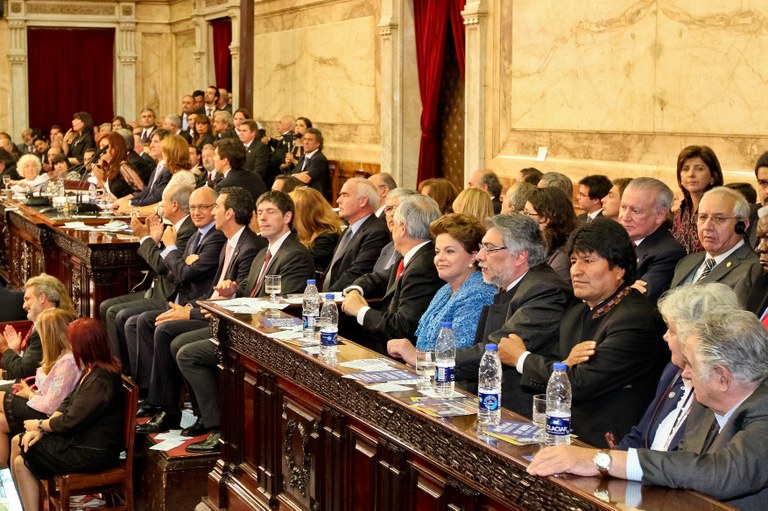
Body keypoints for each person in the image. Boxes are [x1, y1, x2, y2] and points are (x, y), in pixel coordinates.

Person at [527, 308, 768, 511]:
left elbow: (719, 473)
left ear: (722, 378)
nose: (684, 373)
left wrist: (600, 460)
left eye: (692, 366)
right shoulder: (707, 403)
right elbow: (679, 465)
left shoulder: (763, 408)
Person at [502, 218, 668, 446]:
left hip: (609, 445)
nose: (576, 271)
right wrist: (566, 365)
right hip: (566, 431)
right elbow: (557, 364)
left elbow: (579, 384)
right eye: (573, 261)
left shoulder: (636, 319)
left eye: (588, 261)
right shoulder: (577, 311)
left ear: (619, 269)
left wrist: (521, 359)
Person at [453, 214, 573, 417]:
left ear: (520, 256)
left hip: (521, 412)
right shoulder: (511, 284)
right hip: (493, 400)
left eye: (489, 248)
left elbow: (497, 349)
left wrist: (432, 359)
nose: (479, 256)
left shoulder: (545, 290)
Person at [611, 283, 740, 451]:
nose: (665, 337)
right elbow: (639, 435)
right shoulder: (672, 371)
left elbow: (691, 463)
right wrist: (604, 462)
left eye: (671, 331)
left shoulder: (717, 389)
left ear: (693, 336)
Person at [10, 318, 123, 511]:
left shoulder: (100, 379)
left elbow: (71, 421)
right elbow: (67, 403)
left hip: (93, 452)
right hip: (80, 441)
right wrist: (42, 430)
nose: (69, 349)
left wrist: (40, 426)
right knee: (20, 451)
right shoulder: (92, 370)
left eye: (72, 344)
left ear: (85, 346)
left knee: (21, 447)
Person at [387, 214, 496, 366]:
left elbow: (458, 356)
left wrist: (416, 357)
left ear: (473, 256)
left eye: (449, 251)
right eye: (437, 252)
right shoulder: (445, 290)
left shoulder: (480, 293)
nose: (440, 258)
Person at [341, 194, 444, 353]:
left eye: (393, 223)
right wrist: (356, 290)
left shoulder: (422, 267)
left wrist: (360, 310)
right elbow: (377, 279)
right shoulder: (412, 257)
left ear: (402, 228)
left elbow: (402, 327)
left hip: (399, 357)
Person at [0, 308, 79, 466]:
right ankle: (3, 475)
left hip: (51, 416)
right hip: (39, 402)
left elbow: (53, 405)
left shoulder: (68, 362)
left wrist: (30, 395)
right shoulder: (59, 354)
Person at [670, 186, 761, 303]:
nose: (707, 226)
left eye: (719, 219)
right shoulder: (686, 262)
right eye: (702, 217)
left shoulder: (753, 271)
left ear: (742, 225)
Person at [619, 178, 686, 301]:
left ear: (660, 215)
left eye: (635, 211)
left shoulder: (669, 252)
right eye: (623, 207)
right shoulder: (613, 239)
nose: (625, 217)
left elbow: (636, 301)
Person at [1, 274, 75, 382]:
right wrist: (16, 352)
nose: (24, 306)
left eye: (27, 299)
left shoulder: (50, 326)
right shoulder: (45, 322)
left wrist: (4, 349)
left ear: (42, 298)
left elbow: (26, 372)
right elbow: (31, 367)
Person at [324, 178, 390, 292]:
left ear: (363, 201)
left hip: (343, 300)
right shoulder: (348, 231)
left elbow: (357, 273)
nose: (338, 200)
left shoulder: (376, 232)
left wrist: (326, 298)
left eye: (345, 195)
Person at [672, 145, 724, 253]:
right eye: (685, 169)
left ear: (713, 176)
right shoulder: (681, 209)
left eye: (699, 169)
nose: (691, 174)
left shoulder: (720, 208)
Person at [522, 187, 578, 282]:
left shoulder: (562, 257)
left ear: (546, 218)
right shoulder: (539, 243)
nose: (523, 218)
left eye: (527, 213)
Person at [289, 186, 343, 273]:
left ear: (303, 214)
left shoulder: (327, 238)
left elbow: (297, 262)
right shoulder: (296, 233)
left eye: (291, 210)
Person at [288, 127, 329, 196]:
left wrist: (294, 176)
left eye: (310, 140)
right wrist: (295, 175)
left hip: (313, 195)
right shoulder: (304, 156)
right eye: (305, 139)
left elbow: (305, 179)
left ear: (317, 144)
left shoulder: (319, 159)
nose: (306, 142)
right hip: (301, 191)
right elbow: (293, 172)